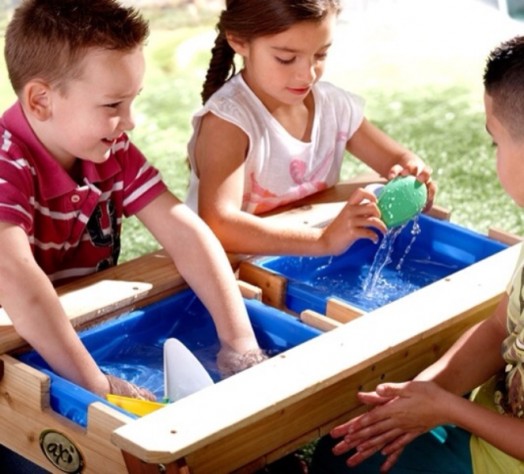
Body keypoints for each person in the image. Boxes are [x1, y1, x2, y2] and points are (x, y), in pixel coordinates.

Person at [0, 0, 267, 470]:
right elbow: (17, 280)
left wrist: (238, 341)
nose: (130, 121)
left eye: (133, 100)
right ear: (41, 100)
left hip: (77, 322)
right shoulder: (6, 163)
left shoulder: (109, 148)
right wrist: (98, 388)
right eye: (112, 105)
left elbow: (184, 232)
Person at [310, 35, 524, 474]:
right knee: (341, 450)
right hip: (489, 424)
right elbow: (501, 326)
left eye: (495, 142)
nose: (494, 156)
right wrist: (422, 392)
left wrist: (448, 409)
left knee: (344, 463)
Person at [185, 0, 436, 257]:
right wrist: (322, 241)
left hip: (296, 255)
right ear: (239, 41)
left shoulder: (333, 107)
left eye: (320, 55)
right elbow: (218, 225)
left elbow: (396, 159)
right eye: (286, 58)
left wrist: (412, 173)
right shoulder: (228, 122)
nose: (308, 75)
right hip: (224, 265)